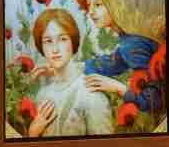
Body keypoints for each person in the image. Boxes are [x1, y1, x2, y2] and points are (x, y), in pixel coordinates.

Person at [70, 0, 166, 116]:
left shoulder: (133, 41)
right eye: (88, 5)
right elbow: (115, 62)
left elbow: (153, 100)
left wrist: (118, 88)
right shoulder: (130, 36)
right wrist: (76, 67)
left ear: (115, 2)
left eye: (98, 5)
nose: (91, 12)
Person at [27, 8, 113, 138]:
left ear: (73, 41)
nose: (55, 49)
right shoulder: (42, 95)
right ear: (41, 47)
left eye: (62, 39)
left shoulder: (91, 94)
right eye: (48, 41)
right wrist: (33, 133)